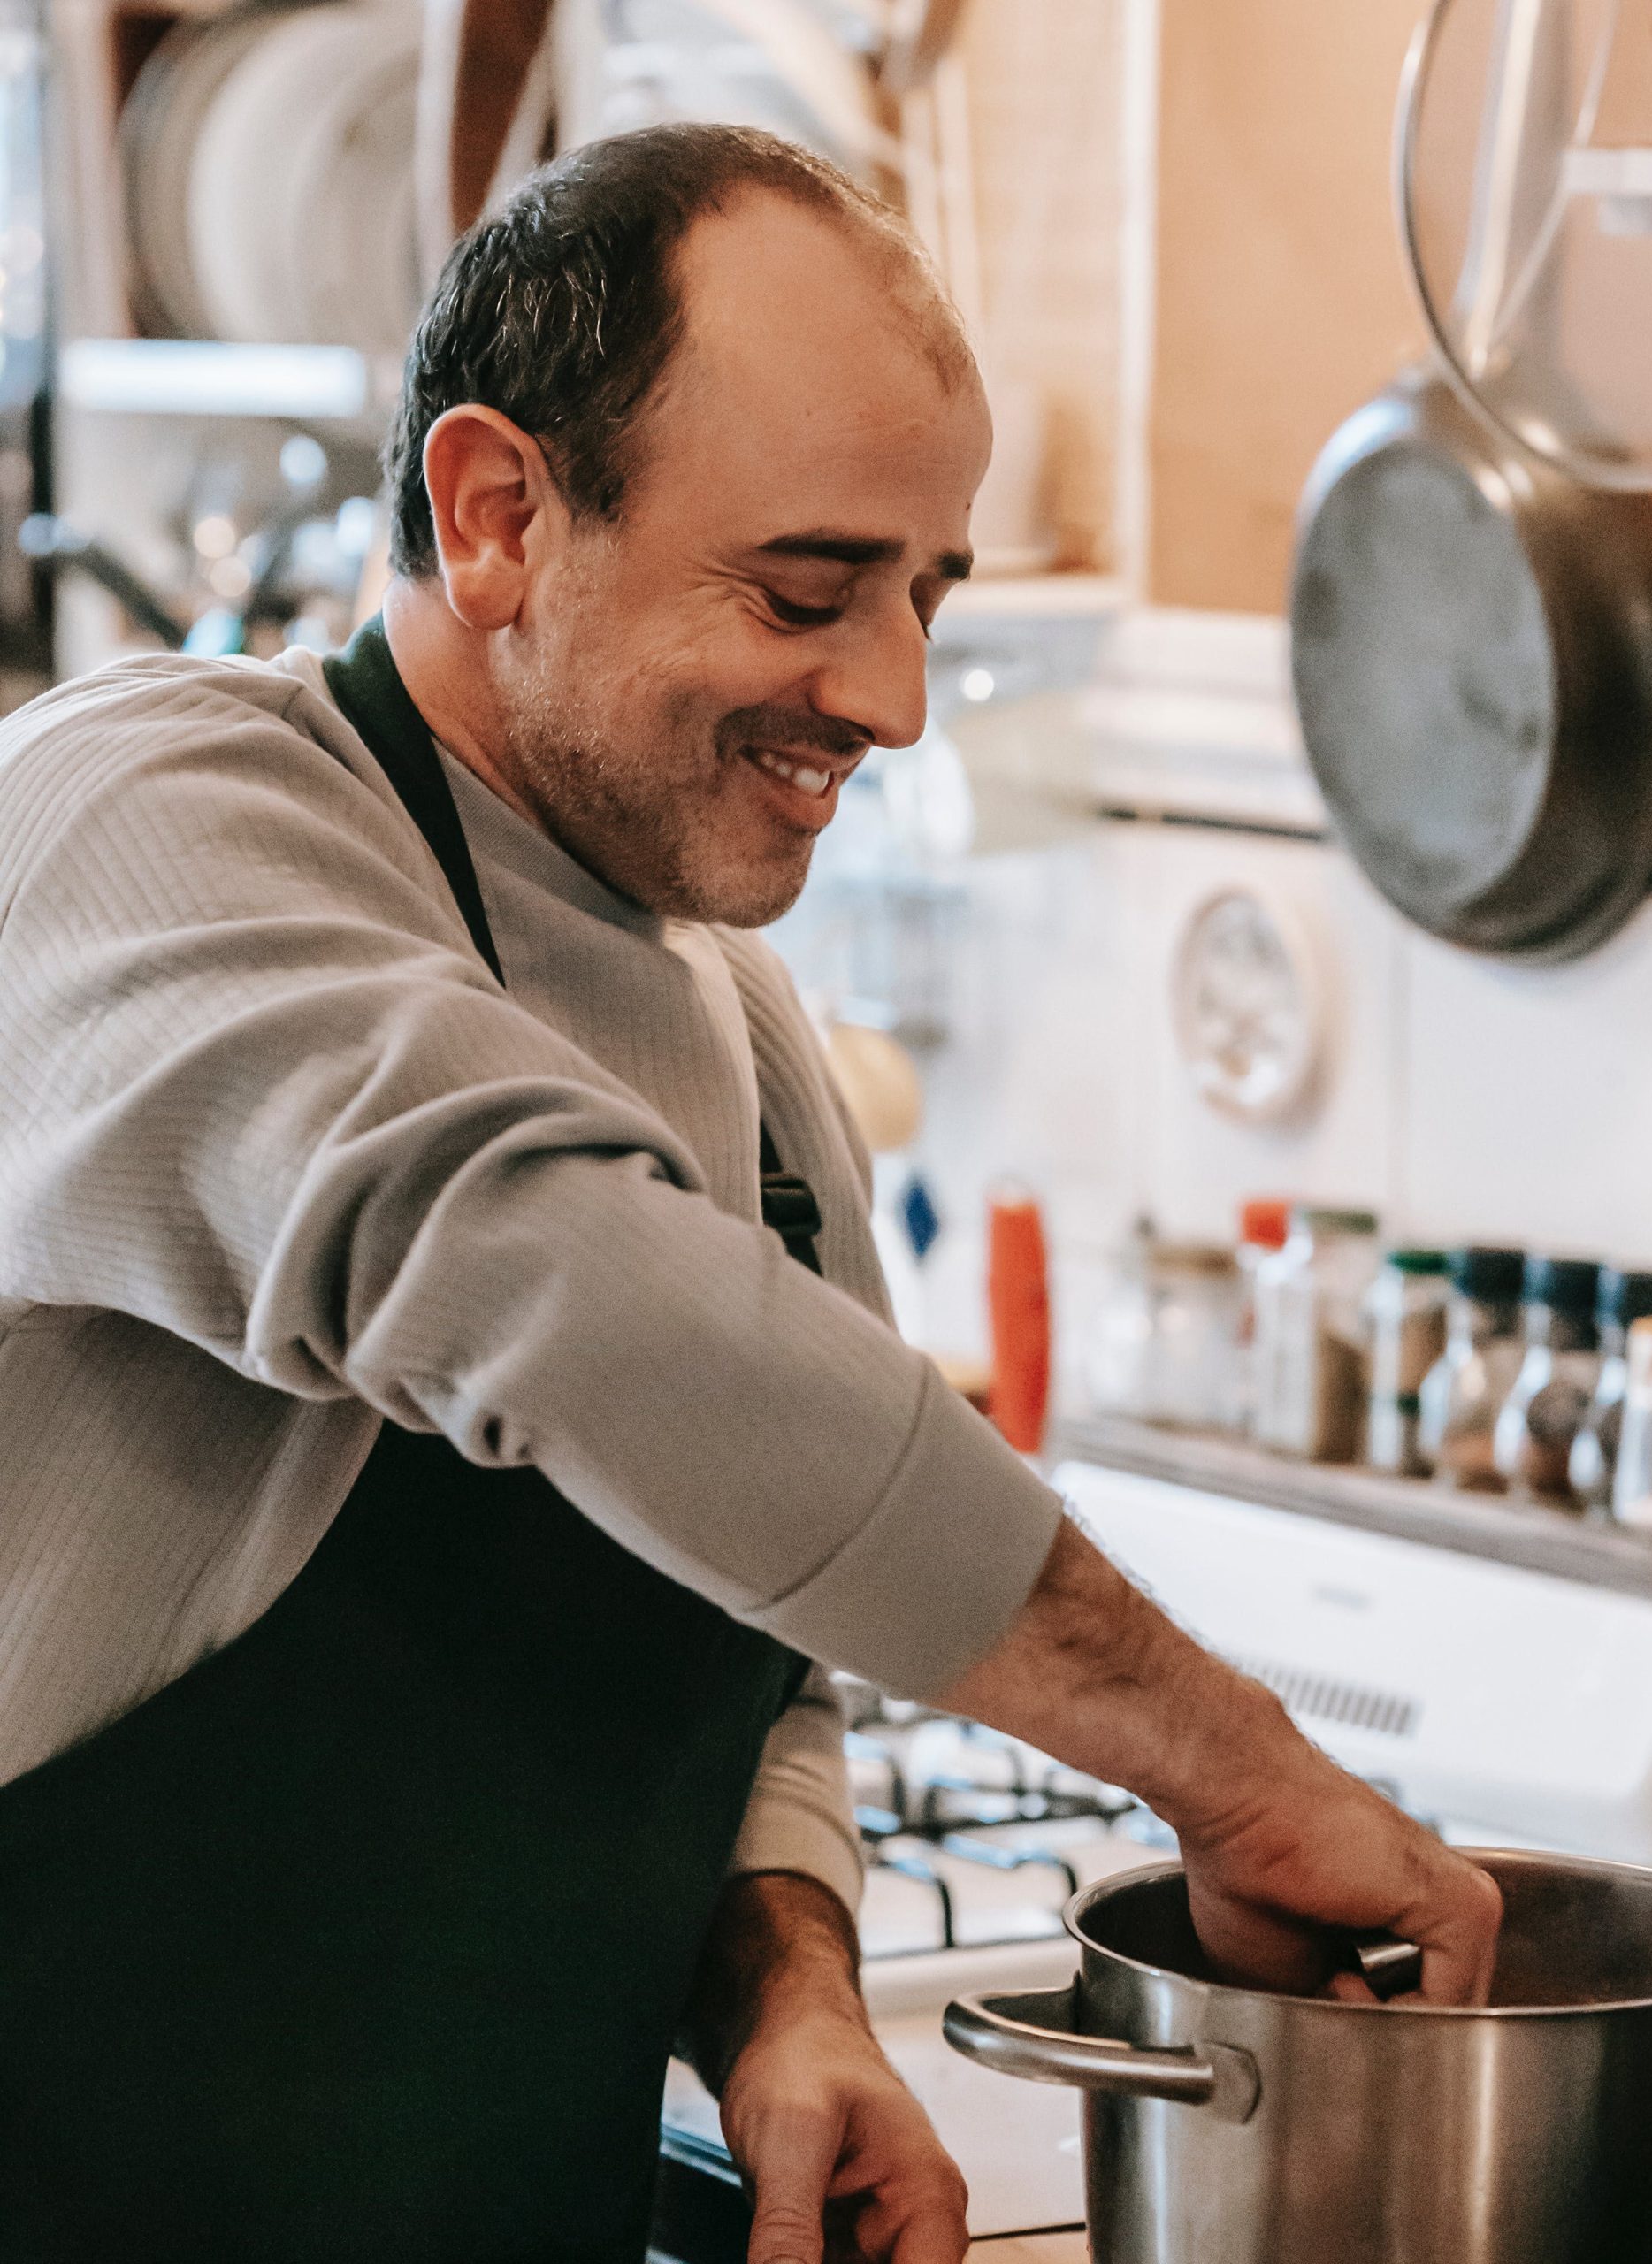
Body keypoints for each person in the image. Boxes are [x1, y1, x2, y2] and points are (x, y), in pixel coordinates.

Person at [0, 125, 1499, 2264]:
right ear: (498, 512)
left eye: (921, 595)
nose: (886, 695)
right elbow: (551, 1286)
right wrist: (1233, 1764)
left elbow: (764, 1631)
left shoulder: (751, 1043)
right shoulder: (141, 813)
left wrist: (783, 1983)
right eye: (806, 591)